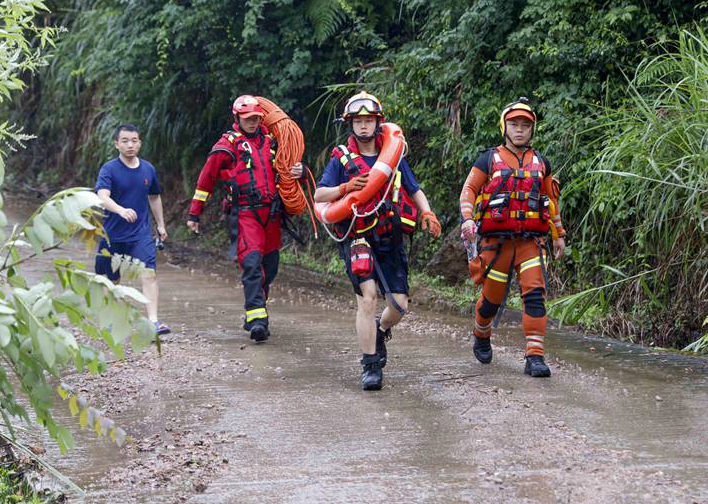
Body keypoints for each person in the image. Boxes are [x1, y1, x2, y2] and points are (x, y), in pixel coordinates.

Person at [314, 91, 442, 391]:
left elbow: (414, 188)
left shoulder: (393, 157)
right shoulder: (341, 159)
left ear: (377, 123)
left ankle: (380, 330)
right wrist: (345, 187)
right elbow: (319, 195)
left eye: (368, 120)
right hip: (357, 237)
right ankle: (370, 365)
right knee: (368, 297)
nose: (363, 127)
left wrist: (427, 211)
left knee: (399, 305)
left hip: (389, 237)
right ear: (350, 124)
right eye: (357, 121)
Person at [459, 98, 566, 377]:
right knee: (491, 301)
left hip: (531, 242)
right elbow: (469, 190)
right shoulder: (488, 159)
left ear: (532, 130)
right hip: (497, 244)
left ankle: (535, 356)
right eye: (514, 124)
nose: (519, 130)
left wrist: (559, 234)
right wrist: (468, 219)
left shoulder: (542, 162)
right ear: (504, 126)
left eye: (525, 125)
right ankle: (481, 333)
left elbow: (550, 200)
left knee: (534, 295)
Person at [186, 95, 304, 342]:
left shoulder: (273, 142)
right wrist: (195, 212)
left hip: (271, 213)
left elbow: (287, 171)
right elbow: (205, 180)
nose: (252, 122)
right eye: (248, 118)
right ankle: (257, 319)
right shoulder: (227, 146)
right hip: (245, 213)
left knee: (269, 268)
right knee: (252, 264)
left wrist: (299, 171)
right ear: (237, 117)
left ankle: (256, 309)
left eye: (256, 118)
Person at [95, 123, 170, 335]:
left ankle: (153, 321)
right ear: (116, 144)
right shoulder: (108, 169)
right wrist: (120, 210)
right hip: (112, 235)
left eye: (134, 141)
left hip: (141, 234)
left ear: (140, 143)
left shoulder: (148, 169)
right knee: (111, 280)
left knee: (149, 274)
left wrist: (161, 224)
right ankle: (111, 318)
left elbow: (154, 197)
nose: (130, 145)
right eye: (125, 141)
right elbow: (102, 196)